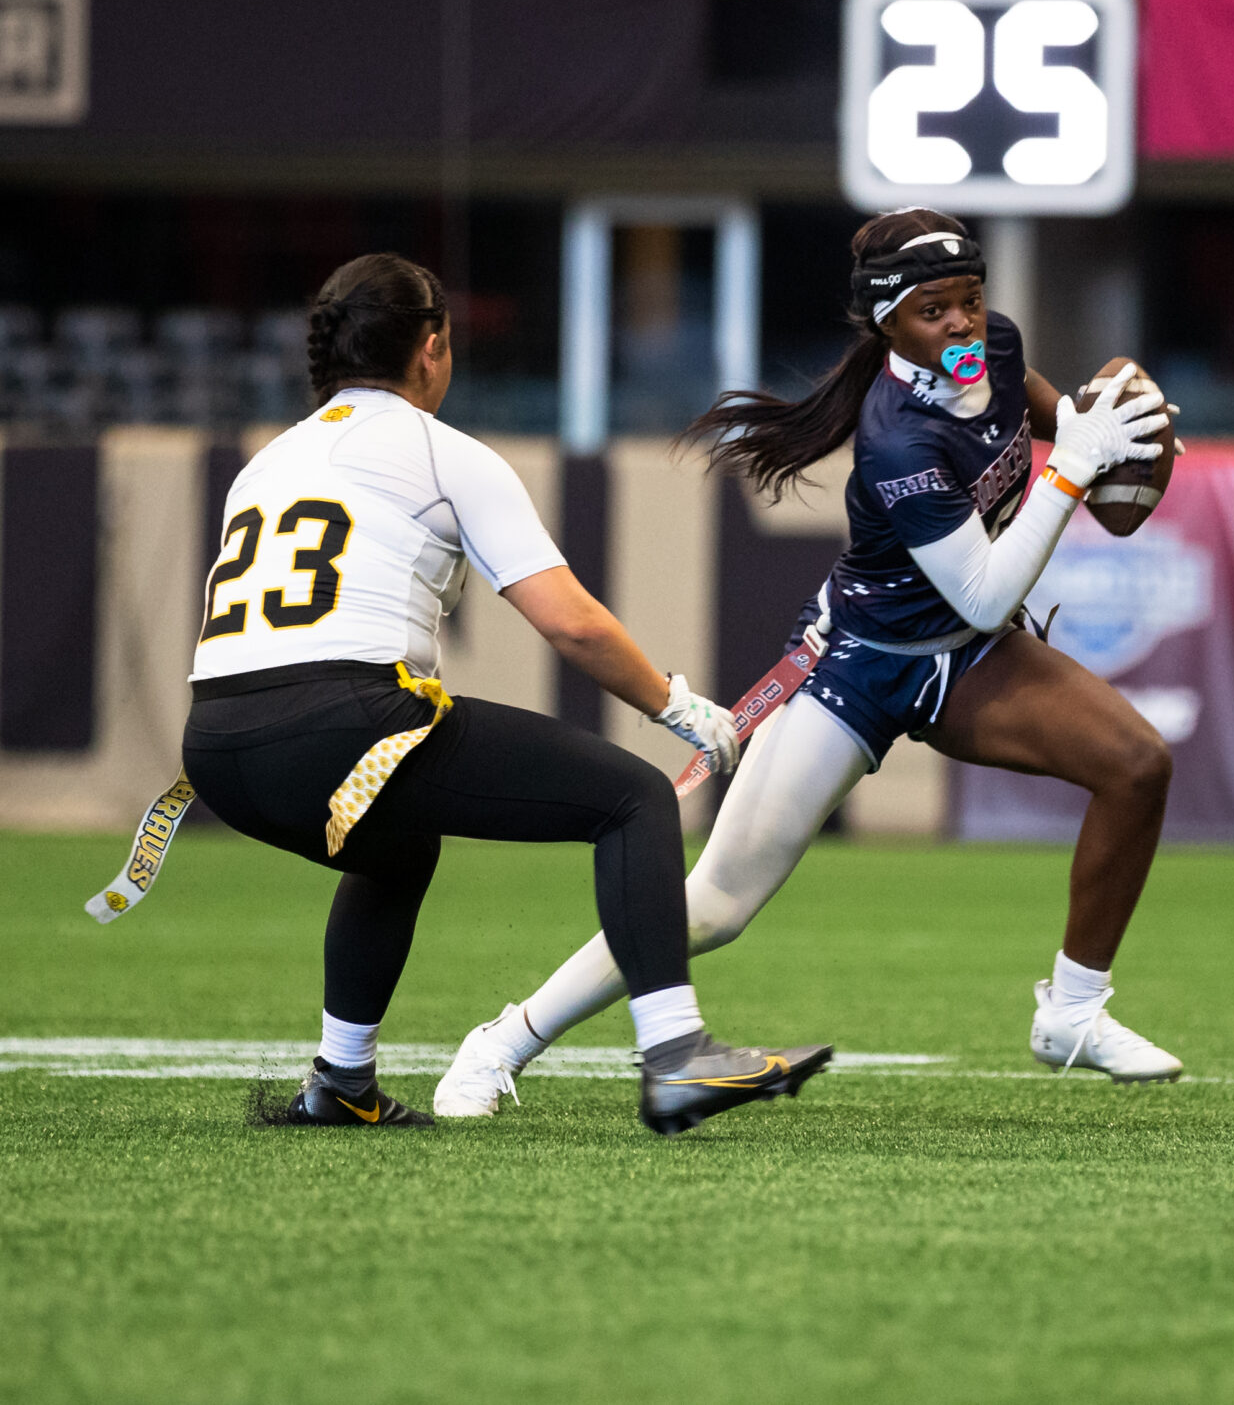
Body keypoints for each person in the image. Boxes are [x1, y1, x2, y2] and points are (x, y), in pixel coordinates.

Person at [436, 209, 1181, 1118]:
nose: (961, 322)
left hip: (965, 657)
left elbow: (1077, 453)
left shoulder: (996, 345)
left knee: (1137, 763)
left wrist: (1113, 440)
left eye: (971, 298)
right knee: (715, 904)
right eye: (934, 309)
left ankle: (1072, 1010)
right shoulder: (896, 437)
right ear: (888, 324)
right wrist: (1071, 471)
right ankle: (502, 1040)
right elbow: (985, 591)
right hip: (858, 666)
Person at [182, 252, 830, 1134]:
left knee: (396, 846)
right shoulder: (442, 452)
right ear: (432, 346)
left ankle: (341, 1079)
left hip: (216, 749)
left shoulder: (266, 461)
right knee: (633, 798)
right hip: (342, 726)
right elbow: (573, 624)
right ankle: (676, 1053)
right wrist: (677, 705)